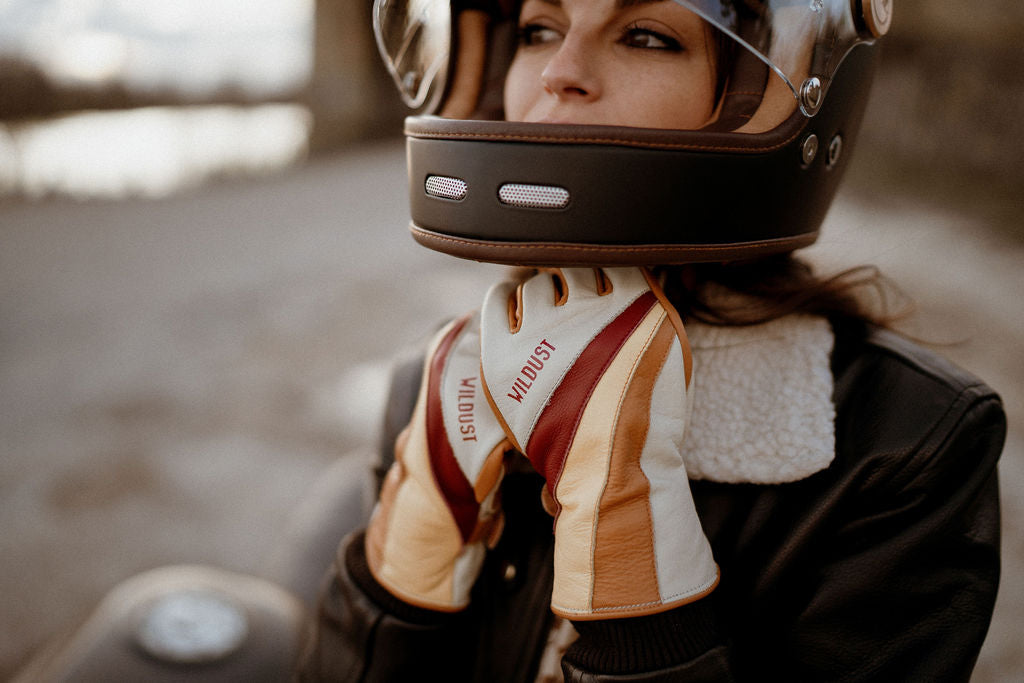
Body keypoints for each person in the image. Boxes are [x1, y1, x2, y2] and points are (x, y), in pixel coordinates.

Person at [297, 1, 1004, 681]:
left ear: (766, 100)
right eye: (540, 28)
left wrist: (632, 559)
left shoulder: (906, 443)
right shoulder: (442, 378)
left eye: (646, 36)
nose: (558, 72)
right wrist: (402, 572)